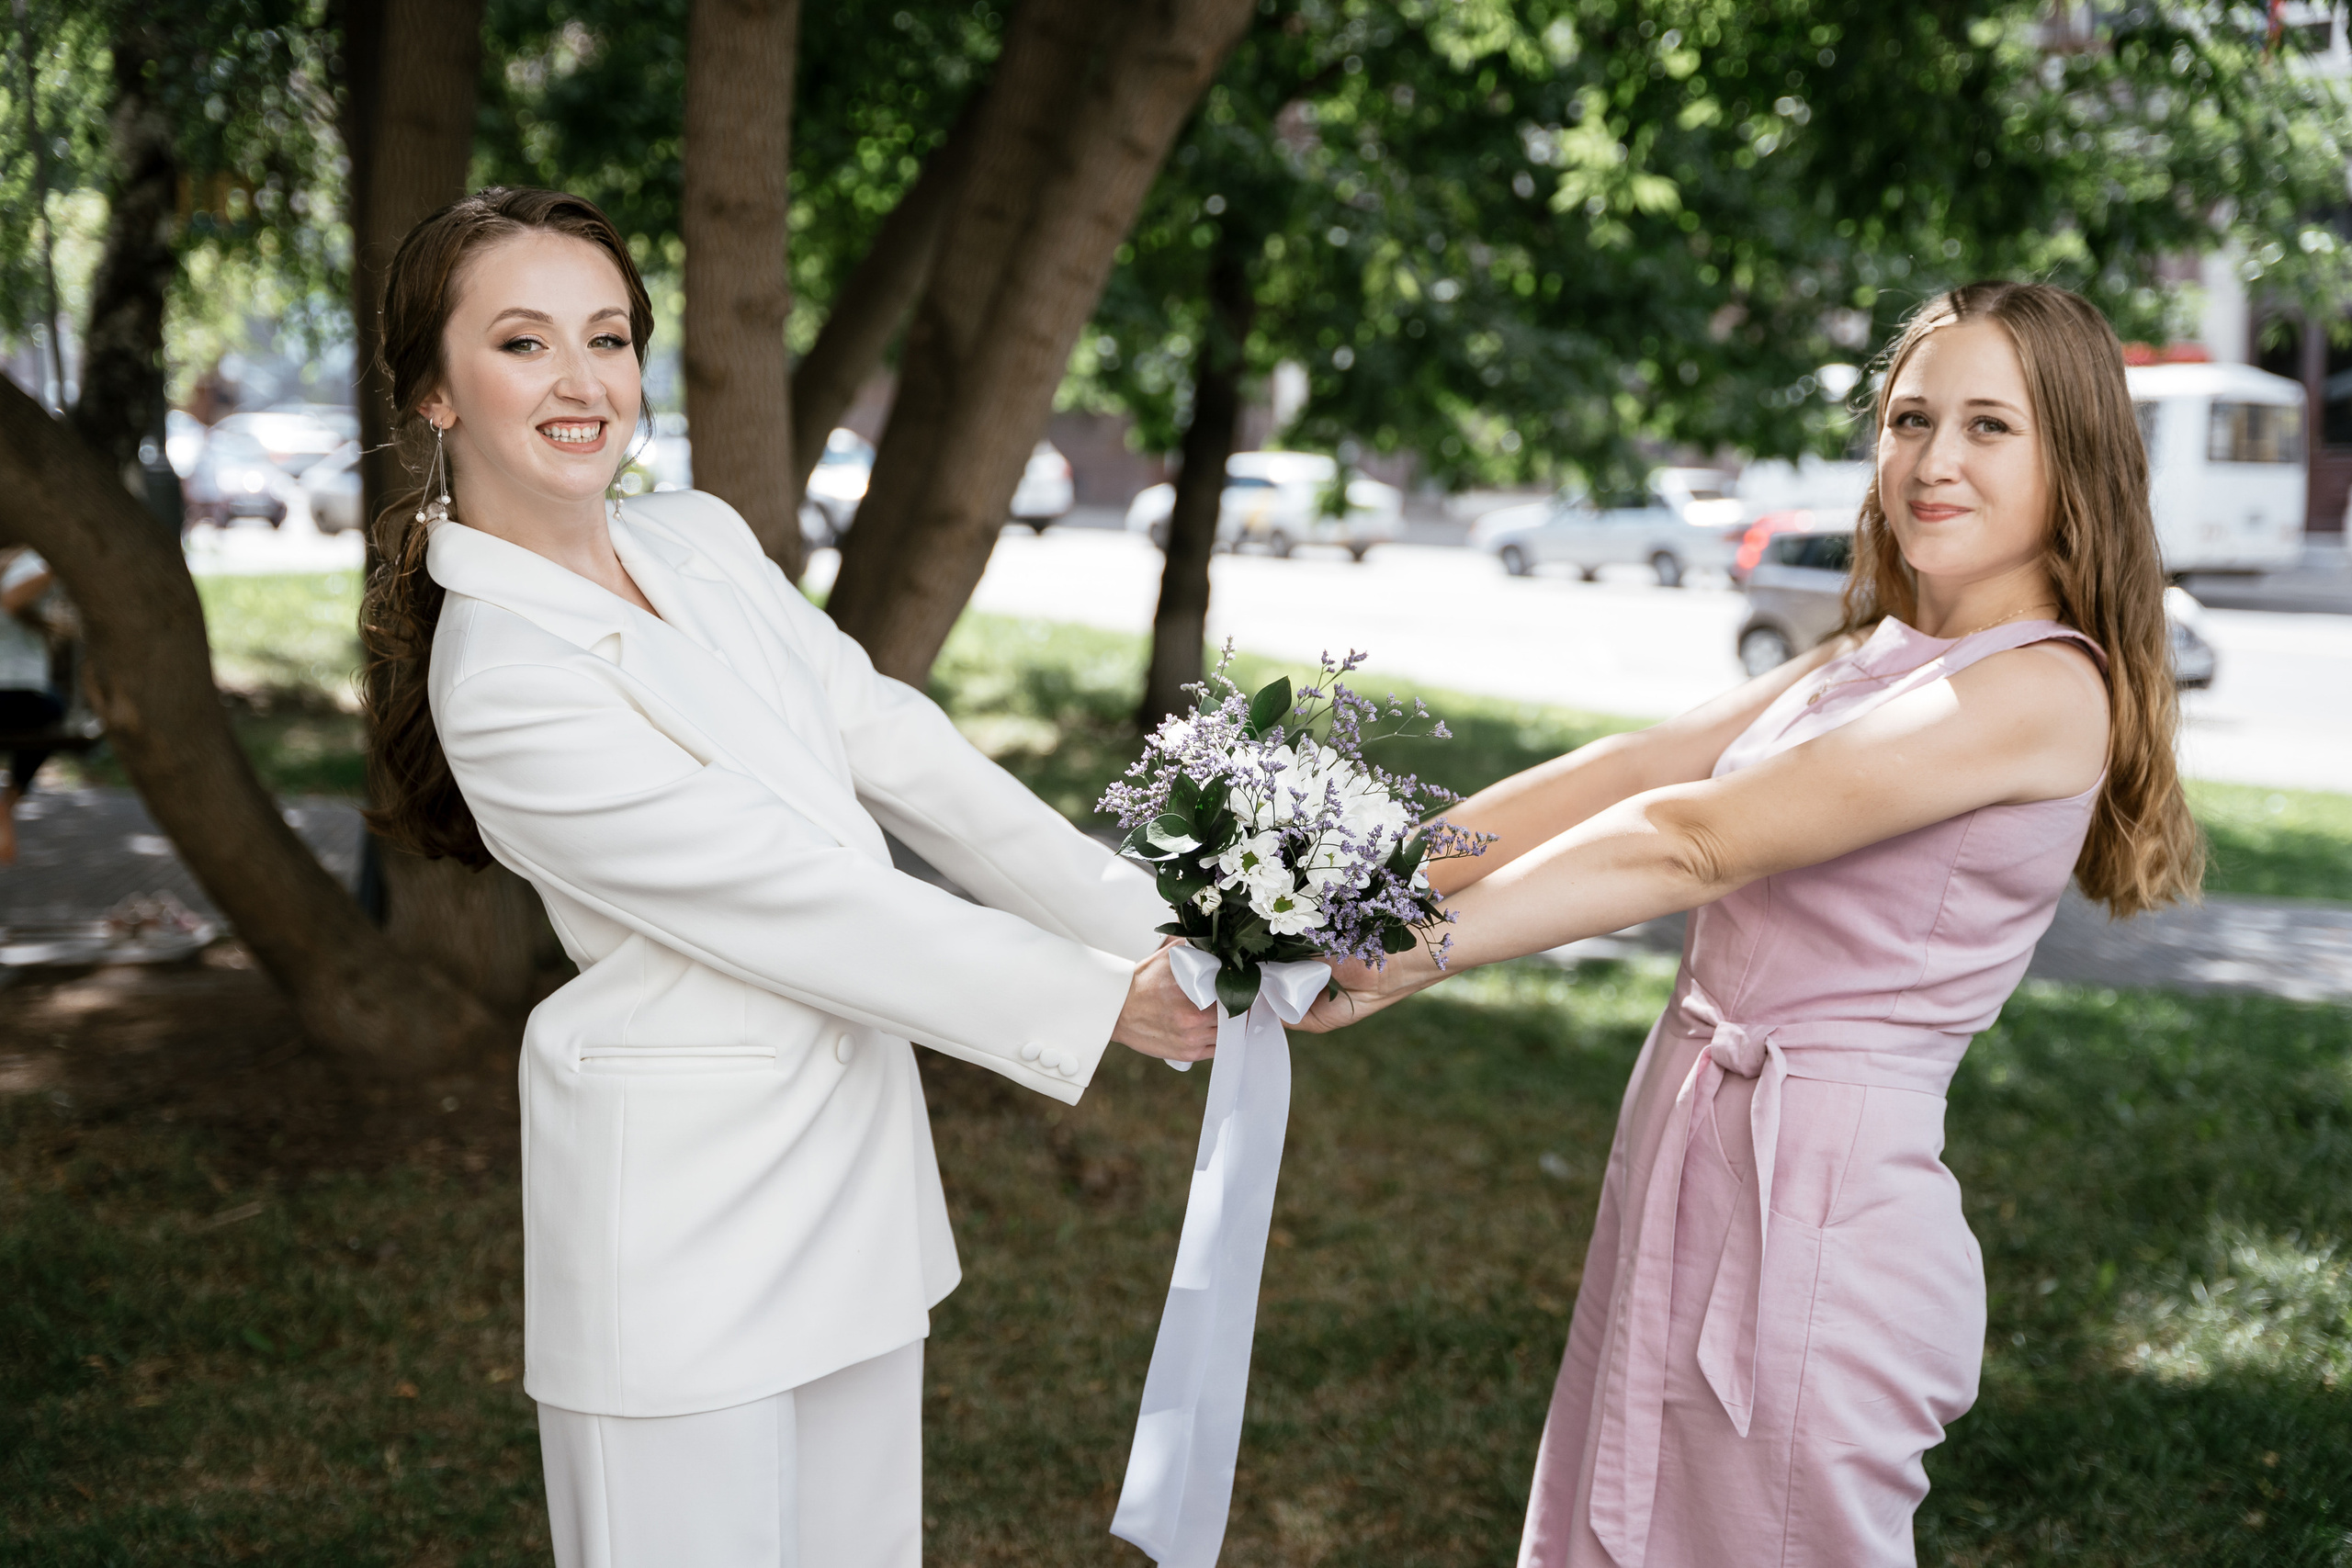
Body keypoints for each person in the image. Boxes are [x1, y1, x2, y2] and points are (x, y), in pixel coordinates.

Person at [357, 187, 1217, 1568]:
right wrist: (1093, 998)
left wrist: (1166, 927)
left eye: (610, 337)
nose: (583, 382)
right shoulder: (503, 680)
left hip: (853, 1195)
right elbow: (796, 898)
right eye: (523, 344)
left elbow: (899, 746)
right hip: (680, 1239)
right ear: (435, 393)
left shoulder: (694, 534)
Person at [1299, 281, 2202, 1566]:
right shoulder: (1869, 654)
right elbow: (1628, 770)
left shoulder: (2046, 688)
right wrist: (1365, 884)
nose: (1934, 460)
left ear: (2076, 456)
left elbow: (1693, 835)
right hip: (1690, 1141)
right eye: (1909, 417)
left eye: (1990, 426)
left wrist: (1407, 954)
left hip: (1819, 1203)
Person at [0, 544, 65, 868]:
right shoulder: (34, 562)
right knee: (53, 708)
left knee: (53, 709)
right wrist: (64, 560)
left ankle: (6, 806)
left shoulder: (21, 561)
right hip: (16, 694)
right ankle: (6, 804)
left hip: (23, 695)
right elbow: (11, 599)